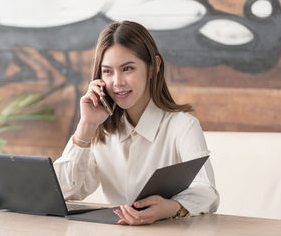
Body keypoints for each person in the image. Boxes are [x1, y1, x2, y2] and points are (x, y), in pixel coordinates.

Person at [53, 21, 219, 225]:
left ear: (153, 67)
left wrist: (170, 208)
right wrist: (85, 127)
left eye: (127, 69)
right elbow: (65, 190)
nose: (117, 82)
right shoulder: (101, 129)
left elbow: (207, 192)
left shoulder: (182, 126)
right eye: (107, 72)